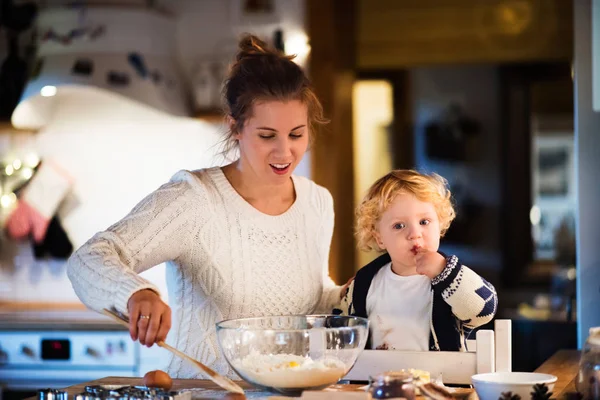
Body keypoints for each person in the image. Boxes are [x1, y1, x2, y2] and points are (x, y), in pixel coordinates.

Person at [67, 34, 345, 378]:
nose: (285, 152)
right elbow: (88, 258)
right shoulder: (194, 199)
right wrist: (136, 293)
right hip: (201, 392)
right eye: (267, 135)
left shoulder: (318, 202)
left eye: (297, 134)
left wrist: (359, 292)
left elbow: (314, 297)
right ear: (236, 128)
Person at [333, 170, 498, 351]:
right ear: (379, 238)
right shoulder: (364, 282)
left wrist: (445, 272)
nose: (414, 234)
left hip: (441, 378)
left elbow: (484, 311)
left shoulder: (451, 279)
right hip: (379, 378)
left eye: (424, 222)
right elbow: (338, 330)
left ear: (440, 224)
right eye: (399, 226)